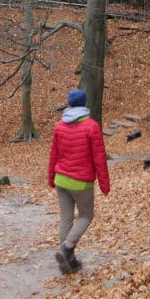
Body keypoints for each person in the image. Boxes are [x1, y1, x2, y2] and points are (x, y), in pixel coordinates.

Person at [47, 88, 110, 274]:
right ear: (84, 104)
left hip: (61, 180)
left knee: (66, 218)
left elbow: (53, 155)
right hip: (81, 182)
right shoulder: (91, 126)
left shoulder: (60, 126)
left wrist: (51, 178)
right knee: (86, 216)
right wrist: (105, 184)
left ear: (69, 104)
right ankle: (67, 248)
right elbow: (99, 157)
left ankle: (68, 261)